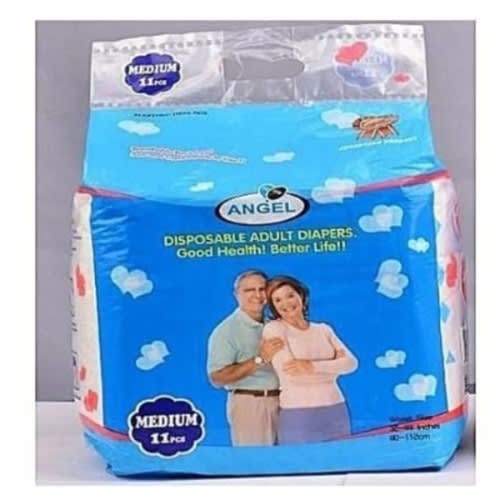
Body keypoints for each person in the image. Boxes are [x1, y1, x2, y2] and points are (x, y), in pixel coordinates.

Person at [262, 276, 358, 445]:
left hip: (336, 408)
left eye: (290, 295)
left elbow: (351, 363)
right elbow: (293, 376)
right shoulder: (274, 329)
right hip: (298, 412)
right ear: (273, 306)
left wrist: (311, 366)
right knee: (300, 459)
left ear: (301, 295)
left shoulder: (323, 329)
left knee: (339, 457)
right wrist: (334, 369)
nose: (286, 303)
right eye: (278, 300)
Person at [207, 270, 284, 446]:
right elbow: (217, 378)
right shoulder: (226, 331)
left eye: (262, 289)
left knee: (285, 460)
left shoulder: (273, 325)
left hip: (282, 403)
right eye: (249, 290)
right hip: (251, 405)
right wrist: (260, 359)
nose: (257, 295)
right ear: (236, 294)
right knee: (256, 460)